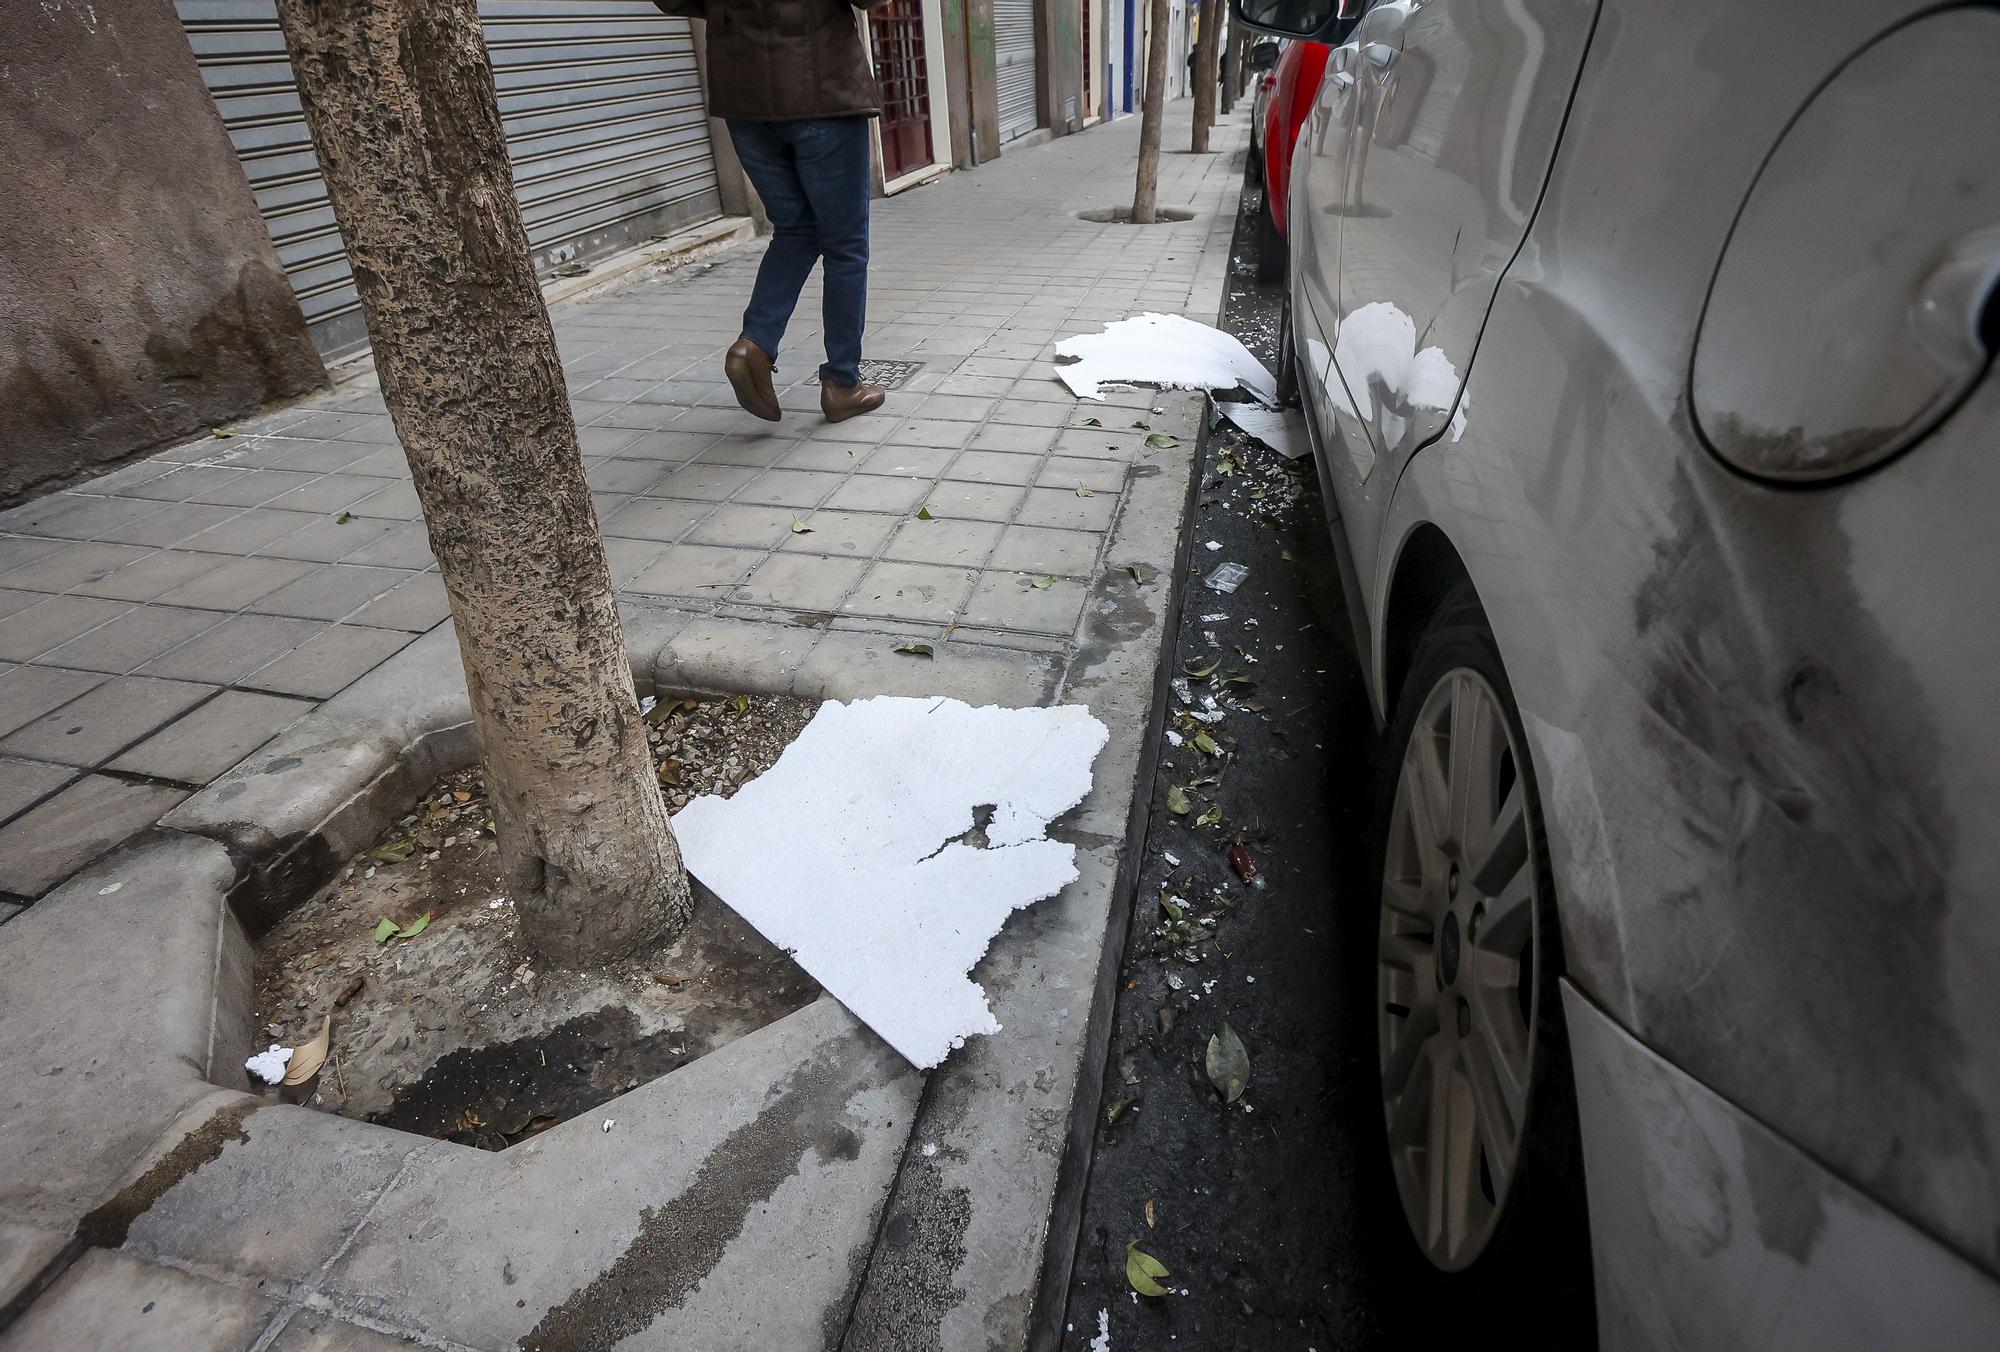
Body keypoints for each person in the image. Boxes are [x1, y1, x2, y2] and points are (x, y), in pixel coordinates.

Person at [654, 1, 889, 423]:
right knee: (845, 247)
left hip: (744, 98)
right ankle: (842, 384)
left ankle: (755, 343)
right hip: (821, 92)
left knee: (797, 230)